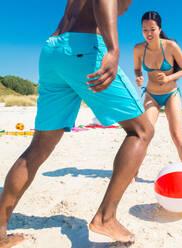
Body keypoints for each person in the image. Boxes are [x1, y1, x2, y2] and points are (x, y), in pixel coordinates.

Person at [0, 0, 154, 246]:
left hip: (53, 49)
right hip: (84, 48)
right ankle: (106, 217)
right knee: (142, 131)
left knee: (38, 148)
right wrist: (113, 50)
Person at [133, 11, 182, 163]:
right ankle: (132, 174)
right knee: (144, 134)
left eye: (152, 29)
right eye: (145, 30)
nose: (148, 33)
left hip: (171, 94)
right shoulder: (138, 49)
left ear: (159, 29)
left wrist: (168, 78)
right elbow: (137, 69)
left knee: (177, 136)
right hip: (151, 95)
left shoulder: (171, 46)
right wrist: (139, 77)